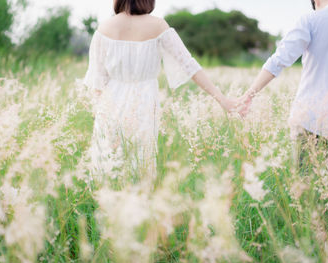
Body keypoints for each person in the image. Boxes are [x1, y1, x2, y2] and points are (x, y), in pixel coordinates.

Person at [83, 0, 240, 181]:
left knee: (109, 169)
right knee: (140, 168)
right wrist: (222, 99)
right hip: (143, 102)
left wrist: (100, 117)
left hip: (110, 104)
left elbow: (97, 82)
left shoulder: (104, 28)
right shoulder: (157, 25)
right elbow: (188, 64)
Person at [240, 0, 328, 175]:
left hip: (307, 117)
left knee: (302, 187)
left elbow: (279, 60)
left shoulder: (310, 20)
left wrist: (248, 95)